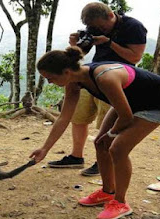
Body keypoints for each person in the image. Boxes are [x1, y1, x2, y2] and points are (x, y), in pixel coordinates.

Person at [31, 46, 160, 219]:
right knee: (100, 143)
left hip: (155, 101)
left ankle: (121, 202)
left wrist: (111, 134)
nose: (49, 82)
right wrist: (45, 149)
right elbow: (64, 118)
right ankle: (107, 192)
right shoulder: (73, 82)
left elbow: (125, 117)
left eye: (50, 78)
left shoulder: (104, 78)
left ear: (66, 71)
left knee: (117, 148)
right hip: (129, 101)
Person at [47, 2, 147, 177]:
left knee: (106, 122)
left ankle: (103, 160)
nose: (99, 30)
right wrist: (74, 45)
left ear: (110, 15)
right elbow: (81, 54)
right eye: (94, 28)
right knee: (79, 117)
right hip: (92, 73)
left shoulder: (133, 27)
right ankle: (76, 156)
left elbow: (135, 57)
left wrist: (109, 43)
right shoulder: (94, 28)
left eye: (101, 26)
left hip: (117, 79)